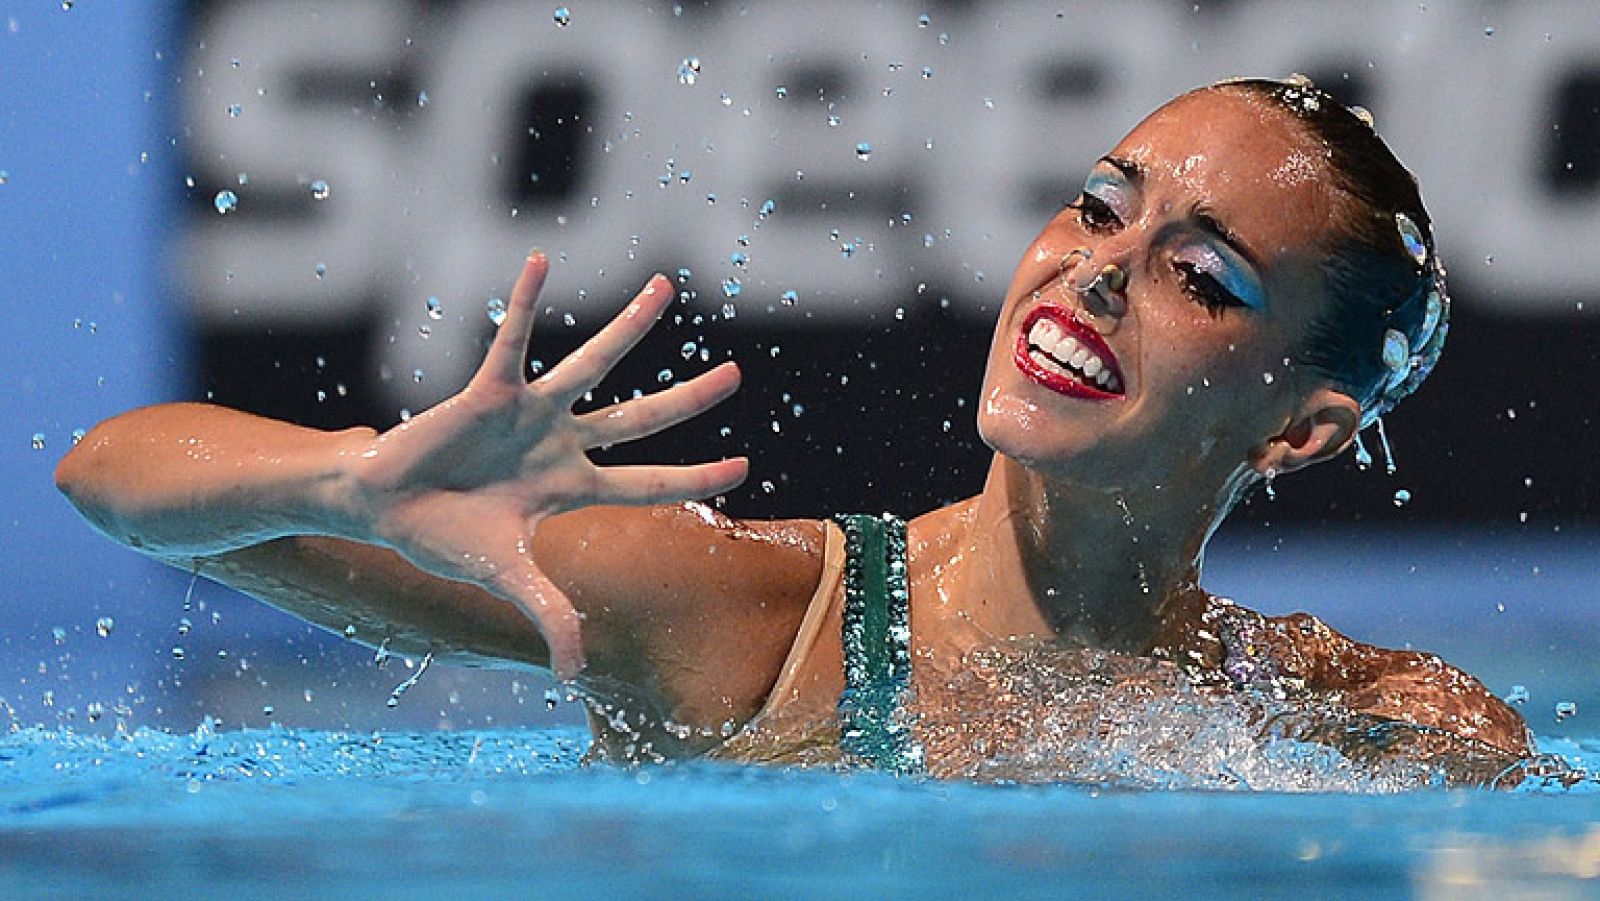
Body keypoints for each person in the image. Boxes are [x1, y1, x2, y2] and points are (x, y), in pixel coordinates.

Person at [54, 76, 1533, 785]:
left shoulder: (1349, 715)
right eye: (1099, 204)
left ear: (1303, 428)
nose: (1094, 271)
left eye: (1198, 275)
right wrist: (355, 480)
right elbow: (108, 473)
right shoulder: (760, 625)